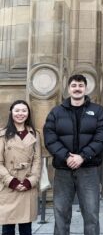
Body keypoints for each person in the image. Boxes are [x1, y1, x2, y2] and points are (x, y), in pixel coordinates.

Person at [43, 74, 103, 235]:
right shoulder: (56, 112)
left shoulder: (98, 111)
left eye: (81, 85)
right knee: (61, 213)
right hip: (63, 170)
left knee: (91, 214)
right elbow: (50, 138)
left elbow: (102, 137)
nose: (77, 88)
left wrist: (82, 156)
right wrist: (67, 156)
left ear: (86, 88)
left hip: (89, 170)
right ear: (69, 88)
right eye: (74, 85)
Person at [0, 100, 41, 235]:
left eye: (24, 110)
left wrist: (31, 181)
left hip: (27, 185)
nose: (20, 113)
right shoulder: (2, 135)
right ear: (11, 113)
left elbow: (37, 161)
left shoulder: (34, 134)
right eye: (17, 110)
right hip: (8, 186)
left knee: (26, 228)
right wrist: (11, 181)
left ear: (28, 113)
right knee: (7, 228)